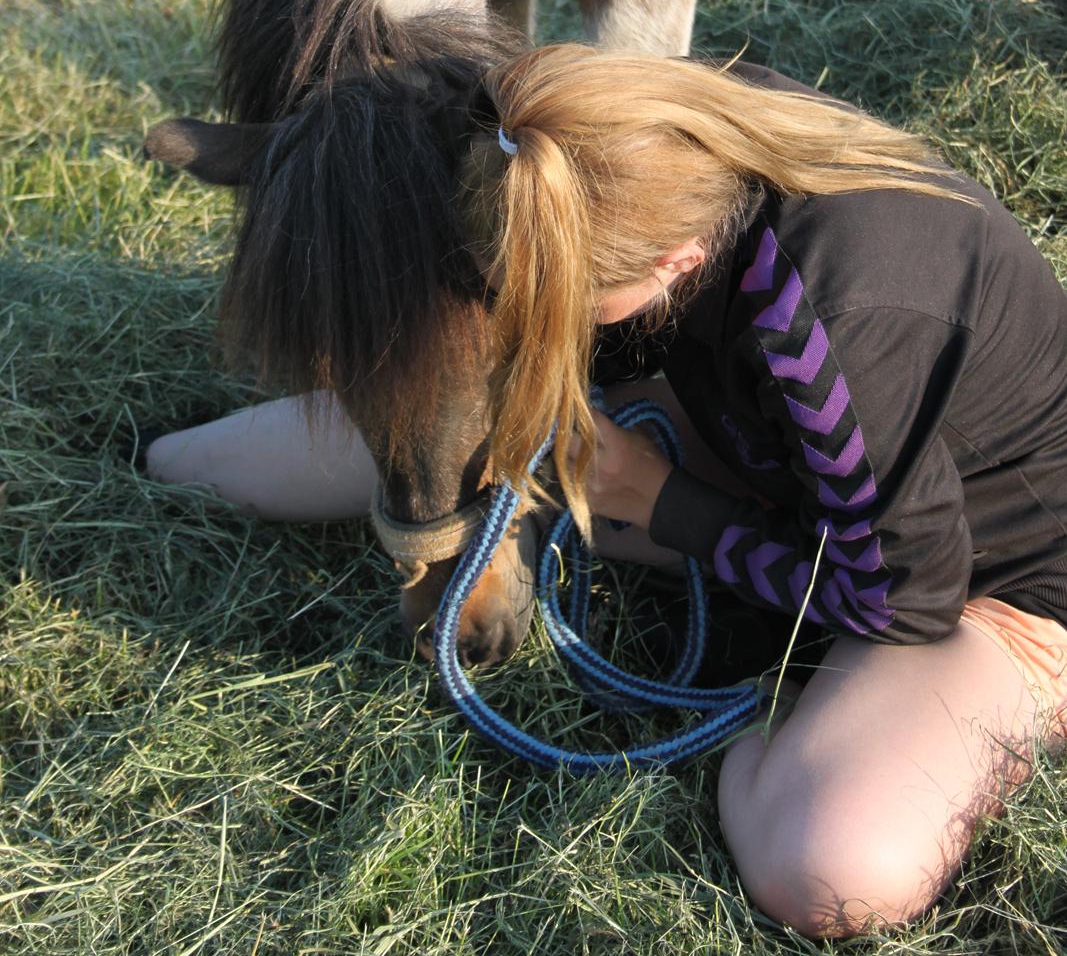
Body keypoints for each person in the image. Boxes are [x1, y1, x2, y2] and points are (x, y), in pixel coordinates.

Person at [144, 46, 1067, 937]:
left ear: (672, 264)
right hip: (769, 444)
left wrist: (660, 500)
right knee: (204, 466)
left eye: (567, 296)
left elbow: (899, 600)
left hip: (986, 584)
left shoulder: (834, 325)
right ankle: (179, 463)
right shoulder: (625, 130)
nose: (544, 316)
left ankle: (782, 740)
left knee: (830, 871)